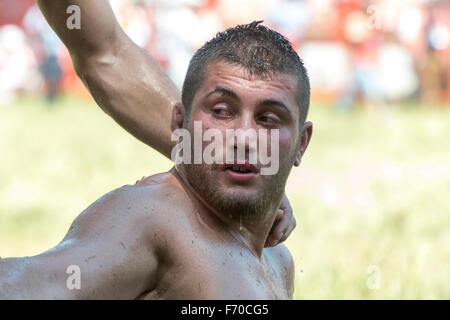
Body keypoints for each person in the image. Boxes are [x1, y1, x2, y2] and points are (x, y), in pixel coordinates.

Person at [0, 1, 312, 299]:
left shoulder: (277, 258)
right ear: (179, 121)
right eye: (221, 111)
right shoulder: (152, 220)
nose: (244, 139)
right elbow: (38, 284)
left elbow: (107, 52)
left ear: (302, 143)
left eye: (268, 120)